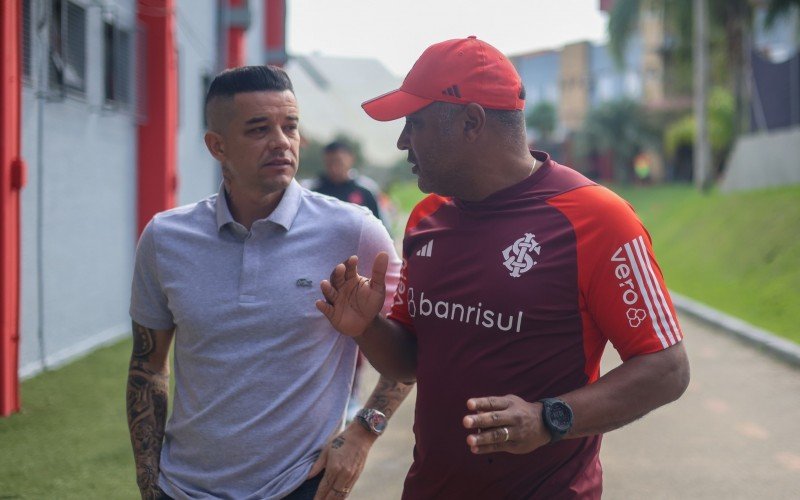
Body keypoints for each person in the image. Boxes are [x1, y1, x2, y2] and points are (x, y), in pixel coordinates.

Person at [316, 37, 690, 499]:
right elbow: (413, 360)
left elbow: (667, 367)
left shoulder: (598, 219)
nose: (401, 141)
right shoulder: (427, 219)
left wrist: (549, 418)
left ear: (471, 121)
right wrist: (367, 328)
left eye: (415, 124)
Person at [126, 65, 411, 500]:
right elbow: (147, 367)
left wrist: (363, 432)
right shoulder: (165, 238)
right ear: (217, 145)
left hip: (301, 486)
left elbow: (413, 346)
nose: (280, 141)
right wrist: (149, 484)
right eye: (259, 129)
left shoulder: (353, 230)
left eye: (290, 126)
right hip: (182, 489)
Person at [306, 141, 390, 421]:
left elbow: (382, 233)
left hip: (356, 280)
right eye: (330, 161)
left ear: (350, 159)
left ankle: (351, 396)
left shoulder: (365, 191)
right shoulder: (311, 190)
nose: (335, 165)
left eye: (340, 160)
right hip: (320, 278)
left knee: (356, 339)